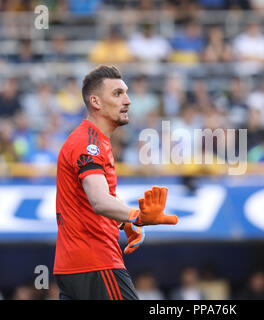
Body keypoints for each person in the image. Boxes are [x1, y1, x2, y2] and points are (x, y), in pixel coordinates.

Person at [53, 65, 178, 300]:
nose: (128, 101)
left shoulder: (93, 139)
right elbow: (99, 201)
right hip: (96, 262)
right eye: (118, 94)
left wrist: (124, 223)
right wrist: (137, 216)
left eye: (126, 93)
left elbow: (97, 196)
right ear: (96, 102)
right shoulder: (89, 142)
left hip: (72, 266)